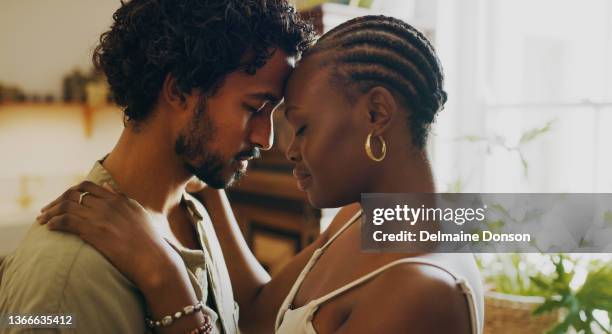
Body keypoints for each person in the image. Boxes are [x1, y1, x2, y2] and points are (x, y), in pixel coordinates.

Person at [35, 15, 484, 334]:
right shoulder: (365, 220)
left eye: (301, 126)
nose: (281, 145)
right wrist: (209, 167)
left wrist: (165, 279)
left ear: (376, 112)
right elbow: (255, 314)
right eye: (257, 109)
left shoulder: (420, 292)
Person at [0, 1, 313, 333]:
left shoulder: (194, 217)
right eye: (254, 108)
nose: (267, 139)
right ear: (178, 91)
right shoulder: (63, 277)